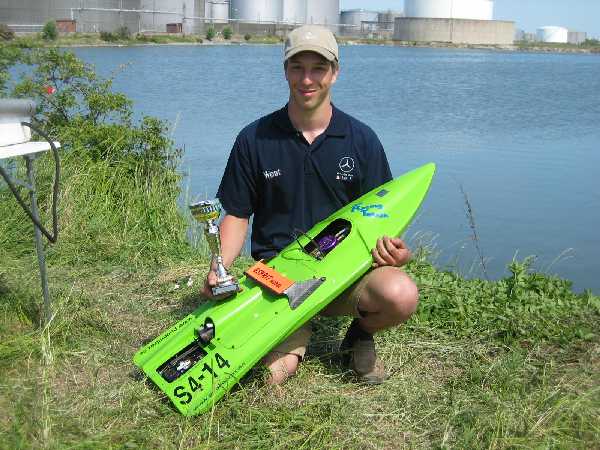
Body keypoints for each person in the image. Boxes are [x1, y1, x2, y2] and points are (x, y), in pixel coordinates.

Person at [203, 25, 419, 385]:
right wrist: (219, 268)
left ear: (334, 73)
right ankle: (290, 338)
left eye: (318, 68)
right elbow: (238, 215)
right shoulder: (254, 138)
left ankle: (359, 335)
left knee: (401, 294)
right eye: (297, 67)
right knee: (269, 377)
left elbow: (383, 216)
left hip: (344, 278)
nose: (307, 79)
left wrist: (395, 251)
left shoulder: (362, 140)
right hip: (278, 280)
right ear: (285, 71)